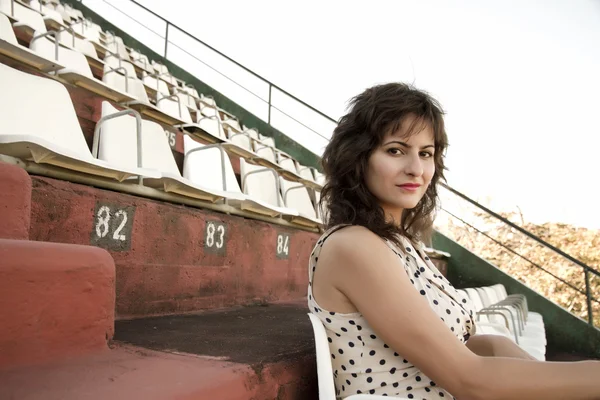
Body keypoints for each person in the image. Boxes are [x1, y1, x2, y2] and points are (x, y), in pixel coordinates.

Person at [307, 82, 600, 399]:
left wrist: (497, 345)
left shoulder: (402, 245)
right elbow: (470, 380)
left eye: (426, 153)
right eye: (395, 150)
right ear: (357, 157)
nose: (416, 169)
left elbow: (465, 345)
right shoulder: (353, 245)